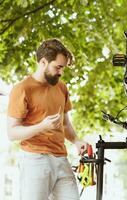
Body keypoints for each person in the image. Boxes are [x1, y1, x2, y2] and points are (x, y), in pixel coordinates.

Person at [7, 39, 88, 200]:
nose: (61, 72)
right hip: (35, 160)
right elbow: (12, 132)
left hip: (61, 159)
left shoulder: (61, 87)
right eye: (58, 67)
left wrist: (77, 141)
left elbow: (65, 123)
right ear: (43, 62)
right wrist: (42, 126)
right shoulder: (22, 89)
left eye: (62, 68)